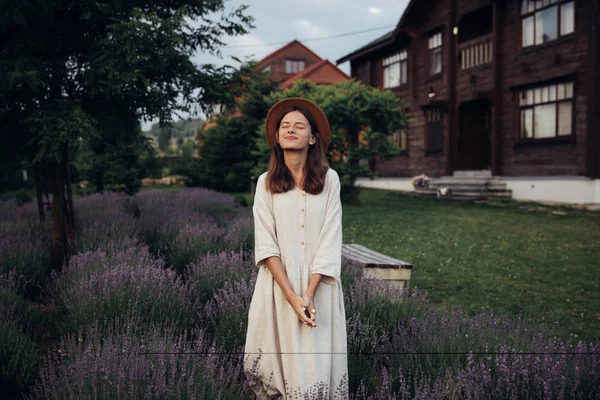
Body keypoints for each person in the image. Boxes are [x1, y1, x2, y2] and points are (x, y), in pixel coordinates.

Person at [244, 98, 348, 399]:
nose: (290, 130)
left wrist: (309, 294)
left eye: (299, 126)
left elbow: (331, 237)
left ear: (312, 138)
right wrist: (292, 296)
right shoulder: (266, 184)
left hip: (319, 287)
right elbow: (266, 244)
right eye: (284, 126)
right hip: (278, 287)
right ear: (277, 138)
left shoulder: (330, 181)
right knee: (272, 369)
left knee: (313, 366)